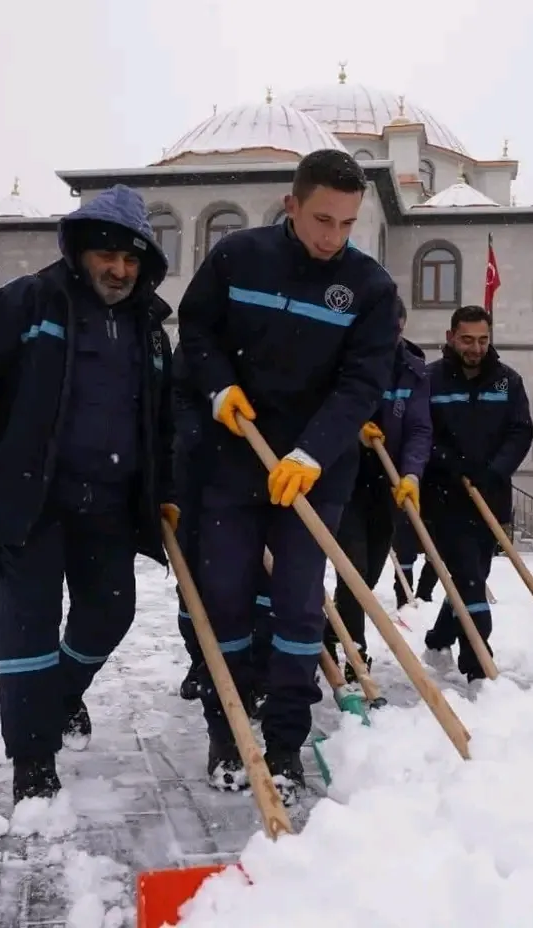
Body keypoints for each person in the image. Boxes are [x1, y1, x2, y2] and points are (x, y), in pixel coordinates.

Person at [177, 149, 399, 801]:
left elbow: (363, 383)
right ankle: (227, 729)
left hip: (314, 471)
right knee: (227, 601)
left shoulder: (369, 288)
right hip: (233, 458)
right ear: (291, 205)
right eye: (322, 219)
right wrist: (218, 387)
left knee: (300, 609)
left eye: (347, 224)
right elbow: (197, 328)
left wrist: (312, 453)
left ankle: (282, 745)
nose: (333, 237)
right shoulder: (237, 258)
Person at [0, 185, 176, 805]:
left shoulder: (152, 331)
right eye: (107, 254)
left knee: (110, 612)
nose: (119, 269)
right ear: (78, 249)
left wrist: (165, 491)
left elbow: (162, 422)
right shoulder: (28, 303)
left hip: (110, 502)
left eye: (131, 259)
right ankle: (32, 761)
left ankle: (62, 696)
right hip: (32, 499)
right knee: (28, 629)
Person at [421, 305, 533, 696]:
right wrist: (450, 463)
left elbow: (521, 431)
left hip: (490, 495)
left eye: (483, 339)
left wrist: (495, 470)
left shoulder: (507, 381)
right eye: (467, 339)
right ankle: (477, 663)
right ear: (451, 336)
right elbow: (421, 432)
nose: (475, 347)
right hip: (443, 497)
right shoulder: (430, 379)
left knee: (473, 577)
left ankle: (438, 639)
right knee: (469, 575)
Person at [324, 296, 432, 680]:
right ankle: (356, 653)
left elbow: (420, 428)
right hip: (344, 480)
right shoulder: (344, 362)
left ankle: (326, 628)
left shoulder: (413, 372)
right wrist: (352, 430)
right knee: (352, 567)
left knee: (367, 575)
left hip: (386, 485)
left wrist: (412, 474)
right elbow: (327, 410)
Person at [171, 343, 273, 709]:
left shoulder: (267, 338)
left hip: (259, 475)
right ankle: (202, 659)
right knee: (196, 582)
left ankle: (257, 672)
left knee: (260, 584)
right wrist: (203, 440)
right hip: (196, 478)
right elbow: (178, 397)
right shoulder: (196, 346)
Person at [391, 511, 438, 608]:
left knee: (436, 555)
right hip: (407, 509)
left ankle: (424, 598)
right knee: (405, 555)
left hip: (437, 508)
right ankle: (404, 601)